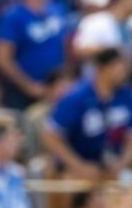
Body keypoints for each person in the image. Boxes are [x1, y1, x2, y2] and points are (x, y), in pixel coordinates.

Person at [42, 47, 132, 181]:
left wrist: (121, 164)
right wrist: (79, 166)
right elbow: (51, 136)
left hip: (113, 166)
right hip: (77, 168)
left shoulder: (126, 97)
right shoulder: (76, 98)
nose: (124, 72)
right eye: (119, 66)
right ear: (103, 69)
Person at [0, 0, 68, 110]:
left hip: (57, 90)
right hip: (24, 95)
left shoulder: (57, 10)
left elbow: (65, 48)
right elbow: (2, 59)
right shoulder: (13, 16)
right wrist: (29, 86)